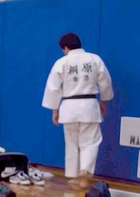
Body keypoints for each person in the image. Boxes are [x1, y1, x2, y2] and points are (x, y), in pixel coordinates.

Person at [41, 32, 114, 188]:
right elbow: (105, 82)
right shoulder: (94, 59)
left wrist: (54, 110)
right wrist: (104, 102)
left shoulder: (62, 62)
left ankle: (73, 176)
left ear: (65, 48)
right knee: (90, 141)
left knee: (72, 143)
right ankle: (85, 171)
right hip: (89, 104)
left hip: (69, 107)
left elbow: (53, 88)